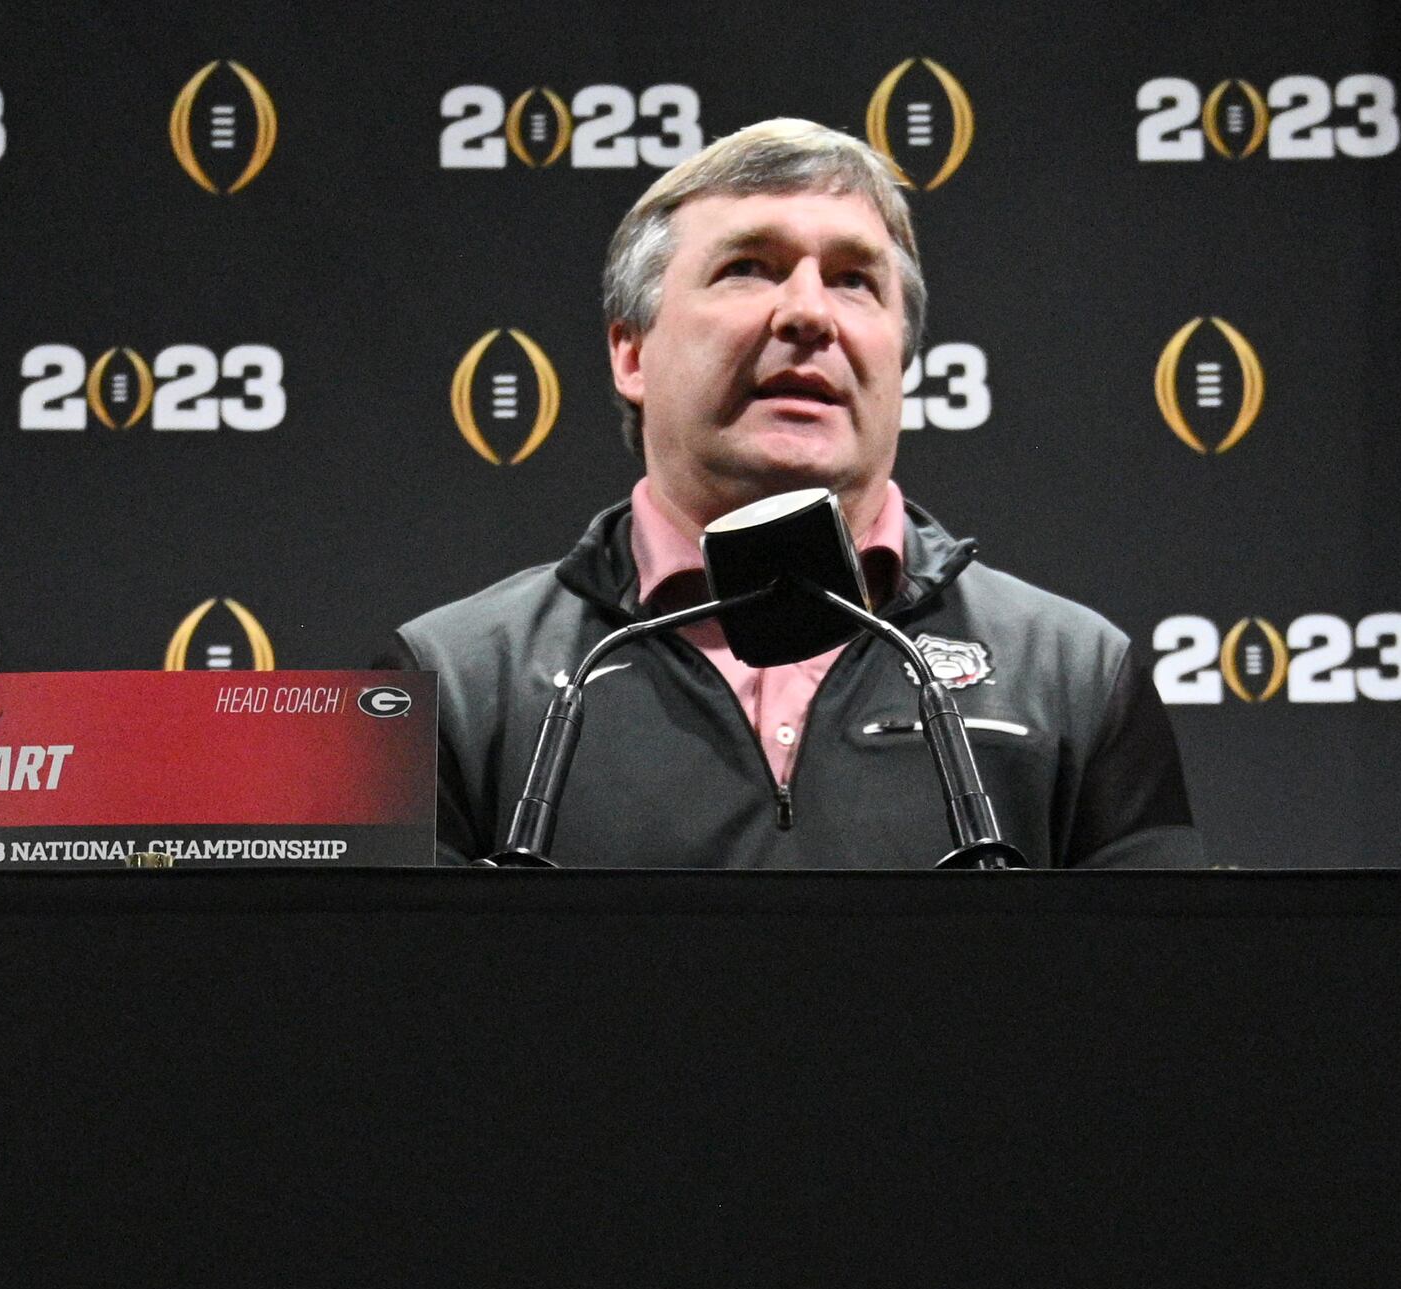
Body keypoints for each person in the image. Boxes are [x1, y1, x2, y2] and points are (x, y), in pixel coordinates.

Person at [381, 119, 1206, 870]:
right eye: (749, 268)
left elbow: (1155, 1004)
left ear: (903, 358)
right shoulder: (442, 680)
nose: (809, 313)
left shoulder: (1075, 673)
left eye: (854, 280)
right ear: (630, 353)